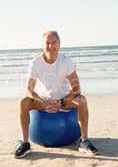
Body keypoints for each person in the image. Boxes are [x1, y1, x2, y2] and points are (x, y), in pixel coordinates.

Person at [15, 30, 99, 158]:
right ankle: (25, 143)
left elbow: (76, 88)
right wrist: (43, 102)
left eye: (53, 42)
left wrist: (62, 102)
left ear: (59, 44)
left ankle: (84, 141)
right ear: (43, 44)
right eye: (47, 43)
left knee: (82, 100)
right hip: (43, 102)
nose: (50, 46)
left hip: (64, 102)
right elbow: (29, 89)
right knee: (24, 102)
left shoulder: (66, 61)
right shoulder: (36, 62)